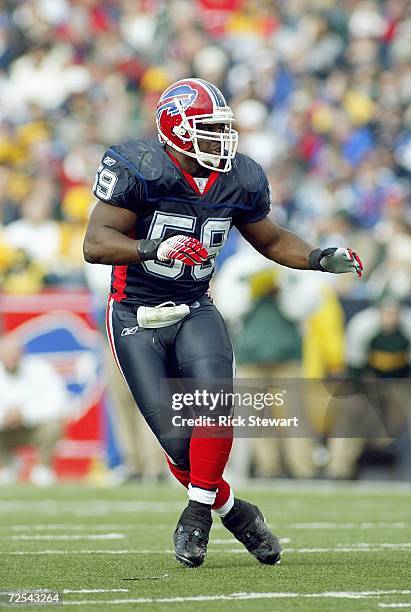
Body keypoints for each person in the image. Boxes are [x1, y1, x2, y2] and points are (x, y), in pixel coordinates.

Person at [83, 78, 363, 568]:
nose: (220, 139)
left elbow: (271, 240)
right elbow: (96, 243)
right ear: (176, 130)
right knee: (177, 441)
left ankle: (196, 514)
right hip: (135, 312)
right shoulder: (140, 167)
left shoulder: (240, 177)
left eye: (221, 128)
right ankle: (236, 513)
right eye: (208, 128)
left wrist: (318, 257)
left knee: (214, 403)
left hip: (194, 306)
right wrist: (154, 247)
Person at [0, 334, 69, 486]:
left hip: (33, 429)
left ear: (22, 352)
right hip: (4, 432)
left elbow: (59, 402)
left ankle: (43, 468)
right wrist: (5, 416)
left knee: (54, 424)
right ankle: (6, 465)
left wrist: (24, 414)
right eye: (6, 352)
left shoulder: (40, 369)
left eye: (14, 352)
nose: (10, 356)